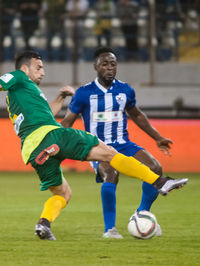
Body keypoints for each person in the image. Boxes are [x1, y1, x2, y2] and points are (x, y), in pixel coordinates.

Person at [0, 50, 188, 241]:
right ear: (24, 67)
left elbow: (48, 115)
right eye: (39, 67)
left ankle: (44, 224)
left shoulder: (24, 95)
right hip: (51, 137)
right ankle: (159, 181)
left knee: (63, 193)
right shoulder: (17, 77)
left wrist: (61, 97)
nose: (43, 72)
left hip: (33, 149)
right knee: (108, 153)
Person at [61, 47, 177, 238]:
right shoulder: (84, 94)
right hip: (98, 147)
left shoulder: (125, 90)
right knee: (111, 173)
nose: (109, 68)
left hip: (124, 144)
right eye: (105, 64)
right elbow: (67, 122)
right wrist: (53, 142)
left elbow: (137, 115)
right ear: (96, 66)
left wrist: (158, 137)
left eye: (113, 64)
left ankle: (142, 214)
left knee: (155, 168)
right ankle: (110, 229)